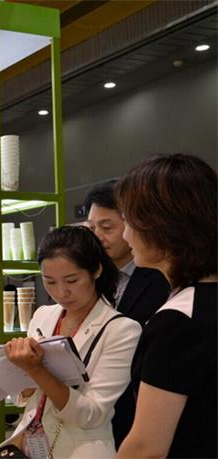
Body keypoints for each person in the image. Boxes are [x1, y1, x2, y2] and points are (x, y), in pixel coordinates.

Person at [0, 226, 141, 458]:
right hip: (30, 446)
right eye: (50, 282)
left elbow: (91, 414)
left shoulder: (121, 330)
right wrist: (21, 370)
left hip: (81, 450)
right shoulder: (43, 315)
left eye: (72, 280)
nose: (61, 292)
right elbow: (26, 398)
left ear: (96, 270)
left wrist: (35, 369)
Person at [116, 154, 217, 459]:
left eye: (128, 221)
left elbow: (147, 447)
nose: (125, 235)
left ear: (161, 226)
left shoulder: (178, 320)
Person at [83, 181, 169, 446]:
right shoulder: (88, 276)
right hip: (89, 412)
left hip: (138, 411)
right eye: (92, 228)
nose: (97, 236)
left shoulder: (160, 279)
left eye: (107, 227)